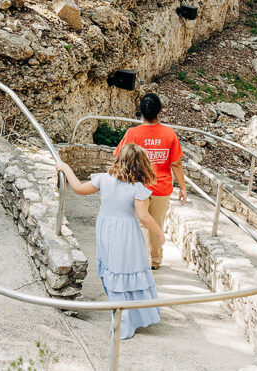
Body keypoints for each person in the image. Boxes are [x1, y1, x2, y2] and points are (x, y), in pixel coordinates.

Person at [56, 144, 164, 340]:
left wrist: (66, 168)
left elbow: (79, 188)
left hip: (105, 231)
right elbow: (143, 217)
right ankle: (129, 320)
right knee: (128, 270)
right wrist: (159, 233)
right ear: (141, 165)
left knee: (113, 271)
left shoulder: (104, 179)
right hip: (127, 234)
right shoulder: (138, 188)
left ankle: (120, 318)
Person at [114, 93, 186, 270]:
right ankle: (154, 260)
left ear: (141, 112)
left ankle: (137, 260)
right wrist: (183, 188)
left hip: (138, 187)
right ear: (159, 111)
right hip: (162, 188)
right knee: (156, 223)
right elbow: (176, 163)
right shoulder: (169, 134)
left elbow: (119, 156)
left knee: (139, 223)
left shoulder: (133, 133)